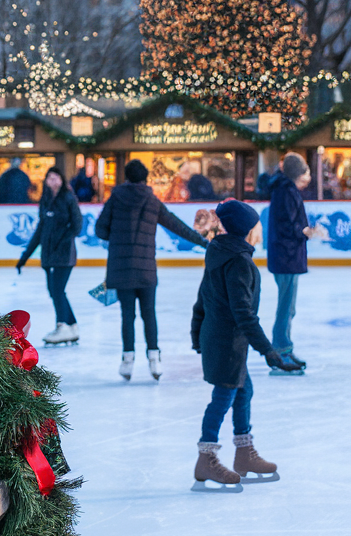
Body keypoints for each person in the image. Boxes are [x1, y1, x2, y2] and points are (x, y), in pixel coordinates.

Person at [191, 199, 294, 489]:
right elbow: (244, 314)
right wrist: (269, 351)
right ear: (246, 231)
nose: (258, 232)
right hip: (227, 341)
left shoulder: (219, 251)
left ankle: (244, 453)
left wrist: (196, 334)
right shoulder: (238, 262)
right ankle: (206, 458)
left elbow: (202, 299)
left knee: (243, 390)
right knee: (224, 396)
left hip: (219, 337)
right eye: (255, 227)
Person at [95, 159, 208, 381]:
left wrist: (117, 237)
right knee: (149, 315)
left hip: (121, 269)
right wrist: (205, 243)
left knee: (127, 315)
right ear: (145, 178)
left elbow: (100, 230)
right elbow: (177, 226)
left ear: (126, 177)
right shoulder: (152, 201)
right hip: (146, 269)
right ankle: (154, 360)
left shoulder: (115, 198)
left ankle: (127, 362)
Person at [16, 167, 82, 344]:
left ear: (61, 180)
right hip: (48, 256)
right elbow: (40, 230)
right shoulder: (45, 200)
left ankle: (62, 327)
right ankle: (71, 325)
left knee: (57, 290)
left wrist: (61, 244)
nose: (52, 181)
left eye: (56, 177)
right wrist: (25, 257)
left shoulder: (68, 198)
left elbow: (77, 226)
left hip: (64, 255)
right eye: (49, 178)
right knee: (55, 291)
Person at [266, 152, 314, 372]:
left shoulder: (285, 189)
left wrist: (303, 231)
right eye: (305, 170)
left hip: (286, 256)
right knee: (286, 307)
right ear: (298, 172)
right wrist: (305, 231)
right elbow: (288, 226)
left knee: (288, 306)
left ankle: (283, 347)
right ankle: (281, 350)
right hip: (286, 256)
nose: (308, 175)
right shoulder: (286, 191)